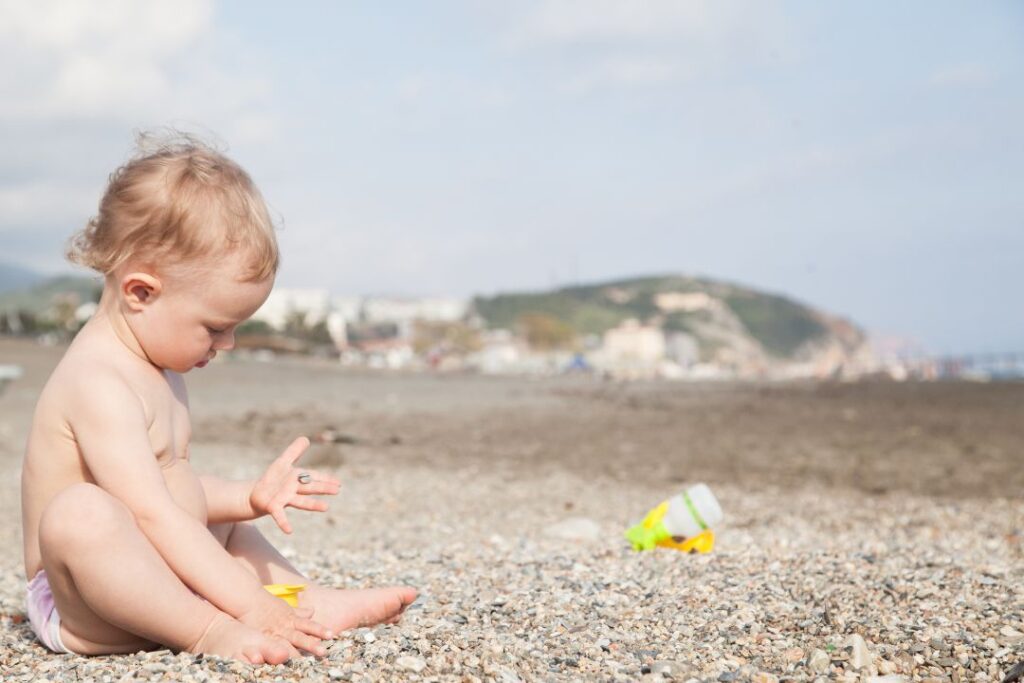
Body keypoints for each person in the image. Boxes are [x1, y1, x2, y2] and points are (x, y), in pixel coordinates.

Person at [20, 134, 417, 664]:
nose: (226, 344)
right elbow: (150, 513)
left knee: (219, 522)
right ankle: (210, 630)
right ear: (141, 292)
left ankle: (305, 602)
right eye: (215, 327)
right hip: (87, 602)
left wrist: (247, 498)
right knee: (81, 514)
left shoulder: (157, 366)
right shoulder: (98, 382)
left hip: (153, 582)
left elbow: (172, 492)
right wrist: (251, 608)